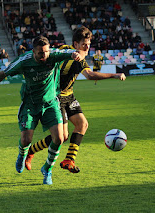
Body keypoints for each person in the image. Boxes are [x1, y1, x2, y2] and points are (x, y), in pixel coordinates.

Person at [0, 36, 85, 185]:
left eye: (45, 52)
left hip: (51, 103)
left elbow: (70, 53)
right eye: (40, 53)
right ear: (33, 52)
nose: (43, 56)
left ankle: (47, 169)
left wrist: (75, 54)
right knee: (26, 140)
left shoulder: (53, 55)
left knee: (59, 138)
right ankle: (22, 155)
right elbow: (3, 74)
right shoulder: (24, 60)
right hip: (30, 104)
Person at [25, 26, 126, 174]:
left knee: (82, 124)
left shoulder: (73, 53)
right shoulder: (73, 56)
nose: (87, 46)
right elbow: (90, 75)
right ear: (75, 43)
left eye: (89, 43)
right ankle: (31, 151)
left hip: (69, 96)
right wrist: (114, 75)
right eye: (84, 43)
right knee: (62, 137)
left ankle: (69, 160)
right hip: (56, 98)